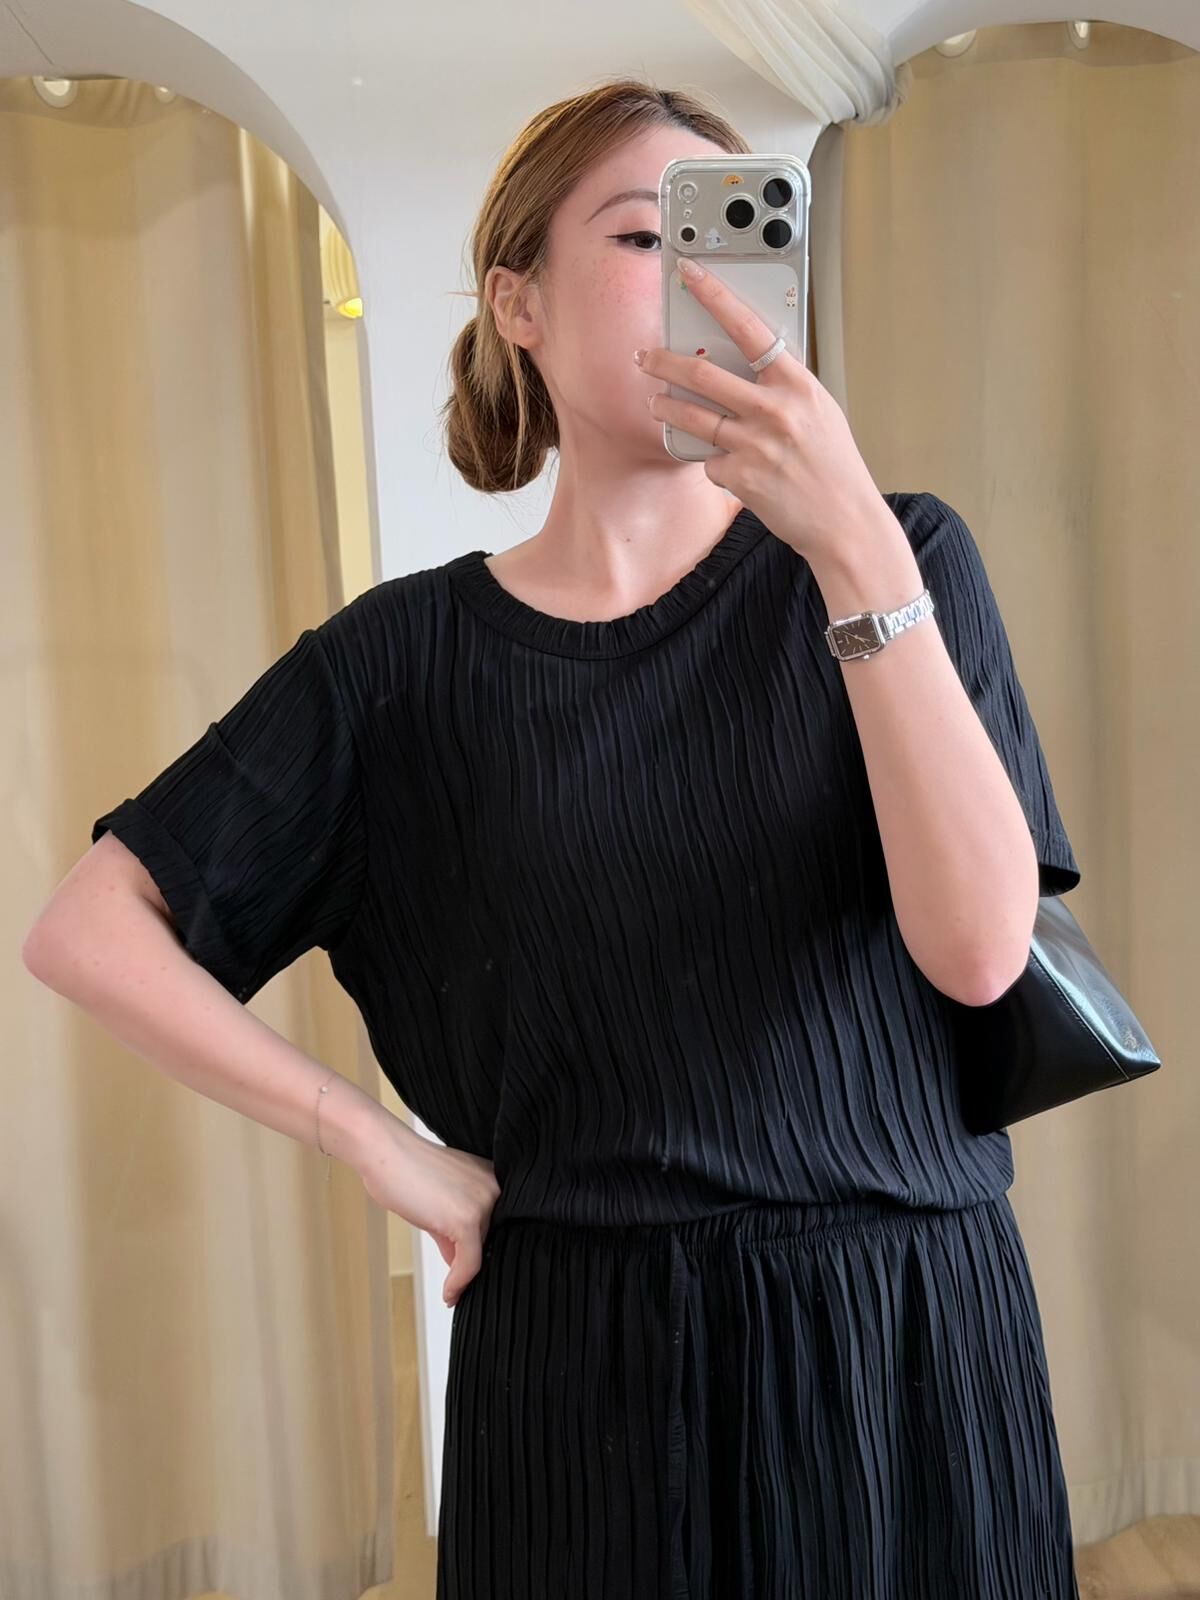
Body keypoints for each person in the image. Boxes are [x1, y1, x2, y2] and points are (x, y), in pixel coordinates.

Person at [24, 76, 1083, 1600]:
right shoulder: (398, 668)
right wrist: (373, 1144)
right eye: (649, 237)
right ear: (517, 302)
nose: (700, 285)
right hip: (585, 1376)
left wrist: (850, 545)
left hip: (901, 1340)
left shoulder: (899, 556)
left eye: (731, 242)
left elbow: (980, 953)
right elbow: (89, 926)